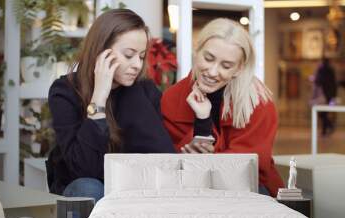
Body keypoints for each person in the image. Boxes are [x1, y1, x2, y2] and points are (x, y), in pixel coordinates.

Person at [47, 9, 175, 203]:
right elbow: (84, 168)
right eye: (129, 55)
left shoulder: (143, 90)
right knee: (90, 187)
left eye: (141, 57)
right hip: (84, 185)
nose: (137, 65)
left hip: (131, 183)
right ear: (101, 52)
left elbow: (162, 156)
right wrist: (99, 98)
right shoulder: (65, 91)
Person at [161, 18, 284, 197]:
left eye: (226, 66)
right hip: (189, 190)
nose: (212, 72)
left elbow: (250, 168)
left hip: (251, 189)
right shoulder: (172, 98)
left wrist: (207, 158)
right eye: (208, 58)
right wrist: (201, 124)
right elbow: (168, 162)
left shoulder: (259, 102)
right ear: (197, 51)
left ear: (240, 68)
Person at [313, 57, 337, 136]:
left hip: (324, 95)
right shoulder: (331, 70)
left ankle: (328, 127)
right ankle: (326, 129)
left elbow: (318, 81)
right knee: (324, 113)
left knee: (322, 113)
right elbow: (334, 83)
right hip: (330, 95)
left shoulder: (322, 70)